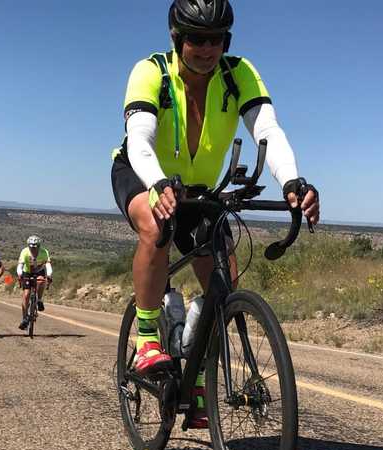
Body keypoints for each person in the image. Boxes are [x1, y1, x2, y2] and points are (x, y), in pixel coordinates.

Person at [111, 0, 320, 427]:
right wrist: (157, 184)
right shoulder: (150, 72)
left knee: (223, 275)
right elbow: (140, 139)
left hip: (201, 188)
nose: (207, 49)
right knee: (156, 226)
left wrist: (293, 181)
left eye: (217, 40)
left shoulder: (237, 72)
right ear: (176, 38)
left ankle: (198, 371)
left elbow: (267, 130)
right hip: (141, 173)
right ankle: (149, 335)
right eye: (196, 39)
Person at [17, 235, 53, 330]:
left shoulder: (44, 252)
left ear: (39, 246)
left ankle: (39, 300)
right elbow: (20, 266)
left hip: (39, 271)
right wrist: (20, 274)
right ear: (28, 246)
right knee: (26, 295)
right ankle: (25, 318)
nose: (33, 248)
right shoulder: (24, 252)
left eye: (35, 246)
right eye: (31, 247)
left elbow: (48, 265)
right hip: (27, 272)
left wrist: (49, 275)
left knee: (41, 281)